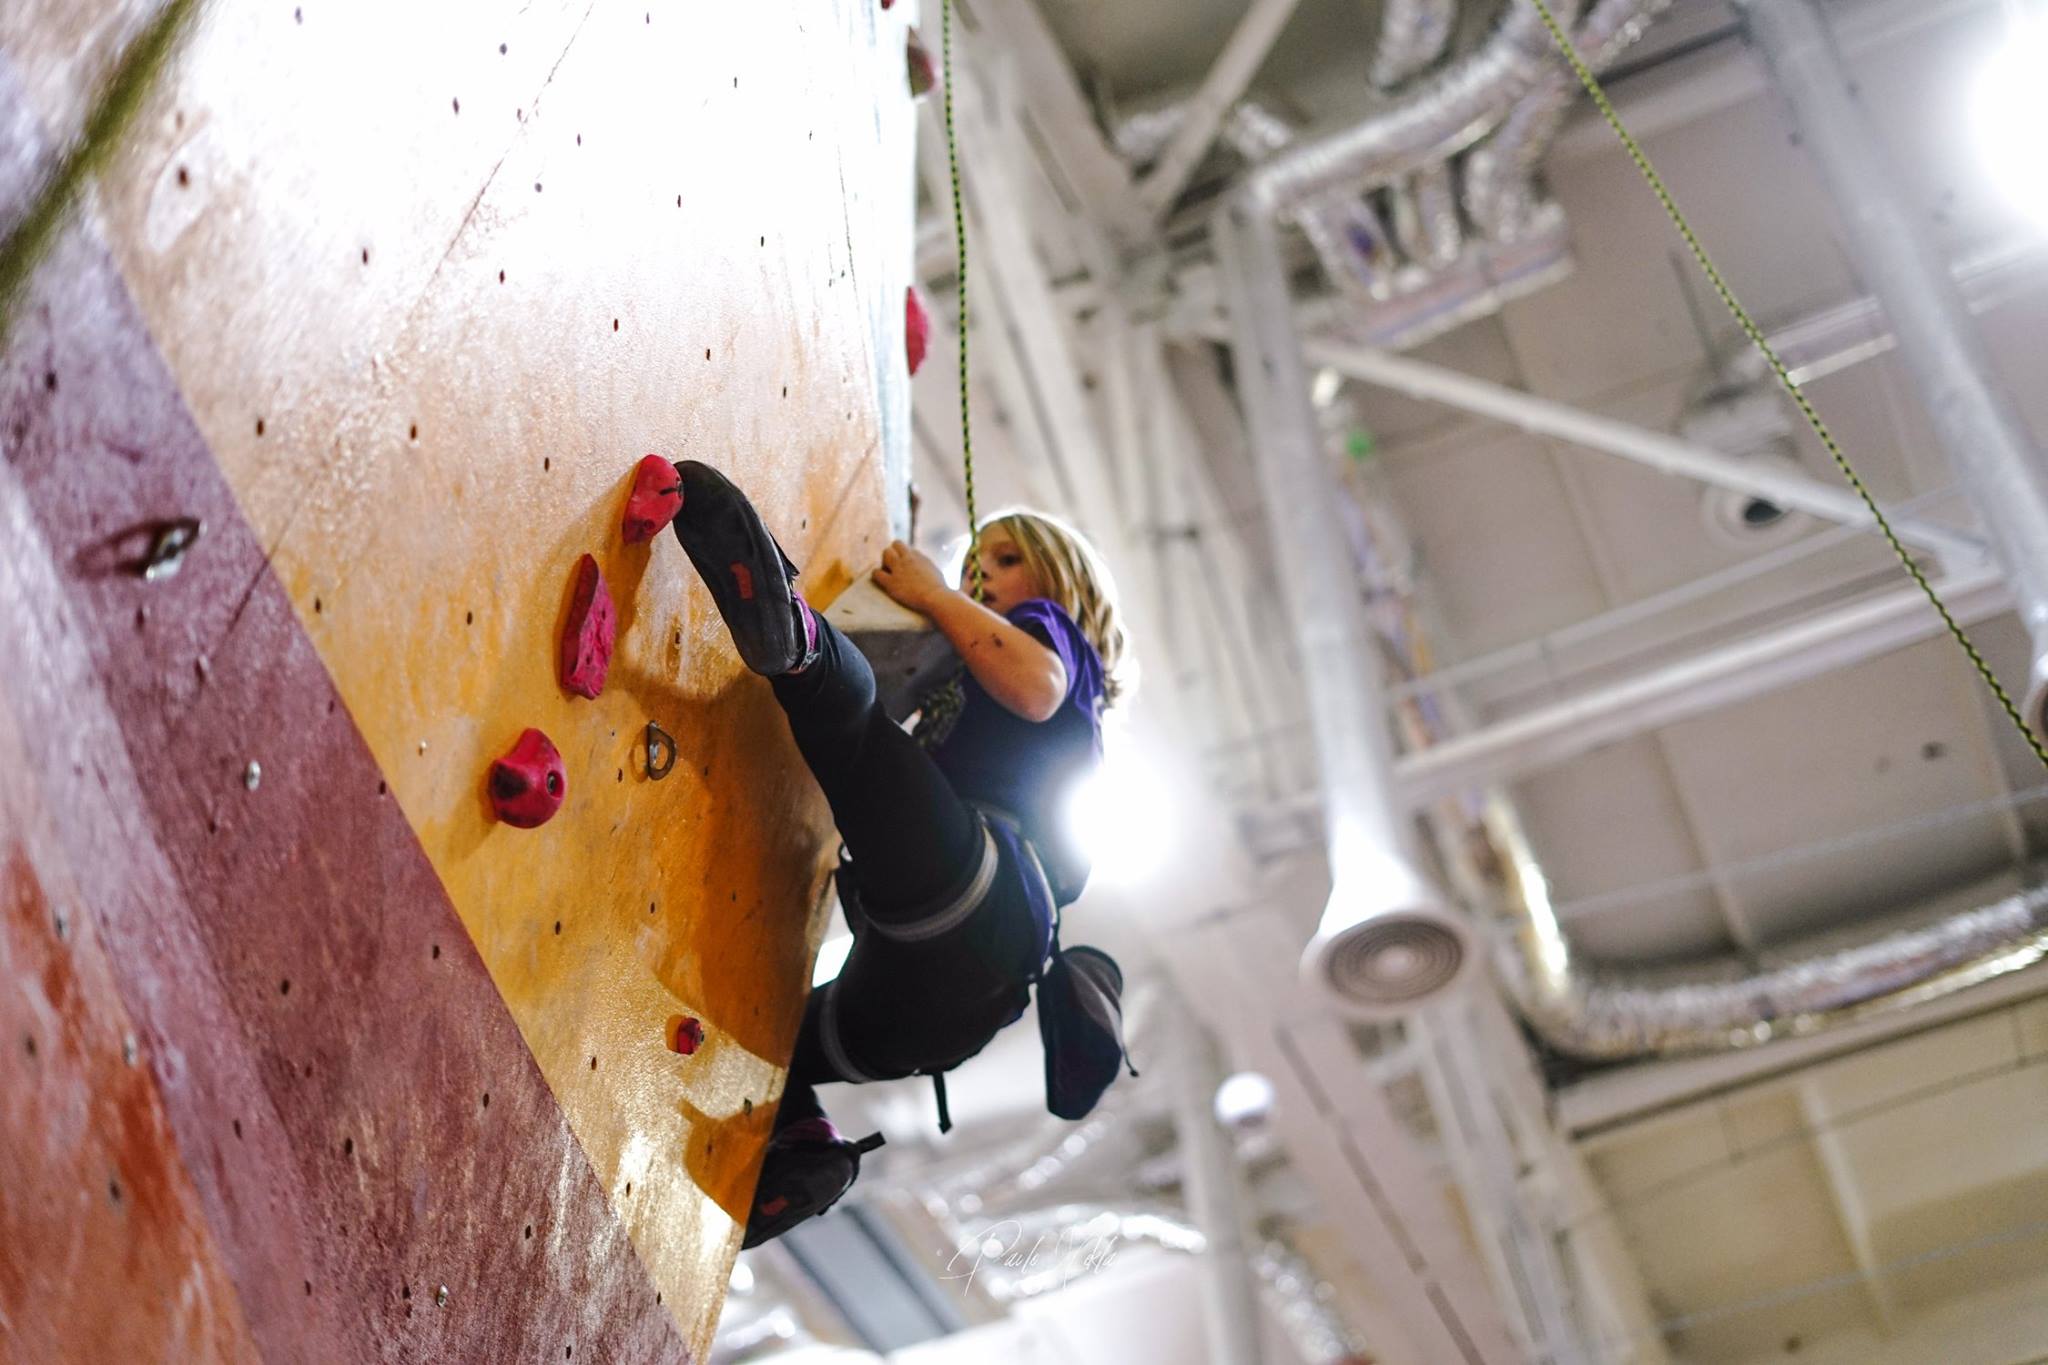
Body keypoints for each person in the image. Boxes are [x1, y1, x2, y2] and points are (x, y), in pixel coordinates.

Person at [665, 461, 1132, 1248]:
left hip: (978, 894)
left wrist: (936, 592)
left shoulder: (1054, 633)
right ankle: (805, 1149)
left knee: (856, 733)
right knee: (769, 1045)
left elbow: (1038, 686)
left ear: (1059, 579)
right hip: (944, 1013)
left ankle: (797, 634)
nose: (983, 580)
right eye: (975, 567)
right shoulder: (969, 672)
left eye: (1005, 563)